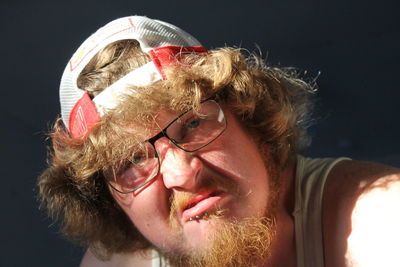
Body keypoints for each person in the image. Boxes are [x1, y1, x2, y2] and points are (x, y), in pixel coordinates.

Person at [38, 16, 400, 267]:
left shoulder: (379, 221)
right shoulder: (118, 263)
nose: (182, 174)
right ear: (111, 203)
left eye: (193, 122)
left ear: (250, 119)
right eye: (132, 160)